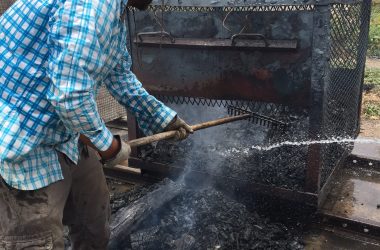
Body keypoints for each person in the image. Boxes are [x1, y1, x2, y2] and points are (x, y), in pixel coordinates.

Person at [0, 0, 192, 248]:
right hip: (24, 138)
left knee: (94, 223)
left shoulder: (114, 11)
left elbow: (119, 75)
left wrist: (165, 119)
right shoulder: (93, 5)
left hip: (65, 130)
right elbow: (69, 96)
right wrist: (109, 147)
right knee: (37, 240)